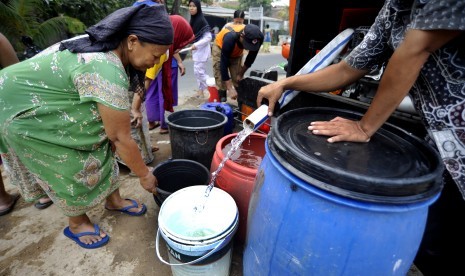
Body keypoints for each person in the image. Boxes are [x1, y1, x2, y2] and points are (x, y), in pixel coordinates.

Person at [257, 0, 465, 274]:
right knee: (432, 241)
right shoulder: (394, 9)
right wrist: (286, 83)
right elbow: (348, 68)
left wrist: (364, 127)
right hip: (440, 141)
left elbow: (415, 48)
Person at [0, 5, 172, 248]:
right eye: (155, 56)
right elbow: (122, 137)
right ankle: (77, 223)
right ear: (132, 41)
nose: (156, 62)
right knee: (66, 161)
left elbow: (112, 137)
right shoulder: (105, 67)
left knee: (102, 142)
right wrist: (144, 174)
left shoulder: (113, 50)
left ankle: (113, 200)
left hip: (54, 99)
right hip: (20, 109)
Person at [0, 32, 54, 213]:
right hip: (6, 102)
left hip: (6, 103)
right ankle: (46, 190)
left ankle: (3, 199)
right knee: (26, 145)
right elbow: (14, 73)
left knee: (14, 147)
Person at [145, 15, 194, 134]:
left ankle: (152, 121)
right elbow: (172, 47)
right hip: (167, 66)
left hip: (149, 69)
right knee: (165, 93)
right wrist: (179, 61)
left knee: (151, 91)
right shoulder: (164, 46)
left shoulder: (157, 29)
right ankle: (164, 125)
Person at [212, 24, 264, 102]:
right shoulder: (230, 38)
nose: (247, 48)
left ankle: (241, 101)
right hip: (220, 47)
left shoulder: (258, 38)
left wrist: (241, 74)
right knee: (220, 75)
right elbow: (223, 64)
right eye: (247, 45)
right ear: (242, 36)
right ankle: (222, 98)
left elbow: (251, 58)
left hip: (236, 51)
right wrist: (230, 88)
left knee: (237, 77)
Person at [188, 0, 212, 99]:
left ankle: (213, 85)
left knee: (199, 72)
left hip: (202, 51)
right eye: (190, 6)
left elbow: (208, 37)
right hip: (197, 51)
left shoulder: (201, 20)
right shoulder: (193, 20)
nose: (191, 8)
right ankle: (200, 92)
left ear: (198, 7)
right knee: (198, 71)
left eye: (194, 6)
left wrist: (196, 44)